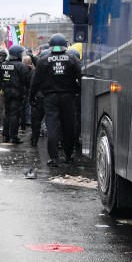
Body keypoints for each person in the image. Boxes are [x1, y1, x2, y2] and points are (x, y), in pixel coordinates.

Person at [30, 33, 82, 167]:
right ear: (65, 44)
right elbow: (81, 77)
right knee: (68, 127)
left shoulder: (43, 61)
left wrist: (32, 97)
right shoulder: (72, 59)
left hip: (50, 98)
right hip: (68, 97)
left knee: (52, 127)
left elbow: (35, 82)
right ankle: (69, 155)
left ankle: (54, 158)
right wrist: (79, 92)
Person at [0, 46, 30, 144]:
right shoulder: (21, 66)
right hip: (17, 92)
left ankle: (5, 135)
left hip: (6, 91)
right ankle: (13, 136)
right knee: (15, 115)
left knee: (7, 113)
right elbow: (26, 80)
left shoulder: (3, 64)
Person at [24, 53, 44, 147]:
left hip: (38, 97)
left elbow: (31, 85)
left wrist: (31, 97)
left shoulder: (34, 72)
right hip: (49, 96)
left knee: (36, 120)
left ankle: (34, 138)